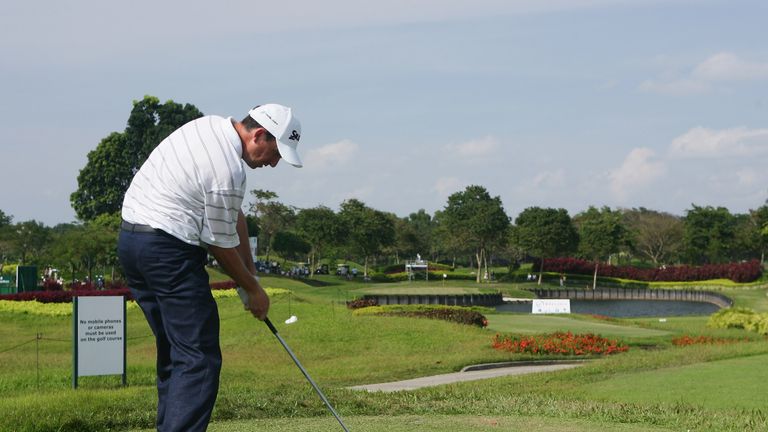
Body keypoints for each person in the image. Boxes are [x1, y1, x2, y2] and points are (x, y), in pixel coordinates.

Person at [117, 103, 303, 432]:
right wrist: (253, 290)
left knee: (176, 351)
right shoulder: (227, 170)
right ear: (259, 135)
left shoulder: (210, 127)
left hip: (133, 243)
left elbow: (234, 218)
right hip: (168, 250)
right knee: (199, 358)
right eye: (275, 153)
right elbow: (220, 246)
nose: (274, 163)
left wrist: (251, 277)